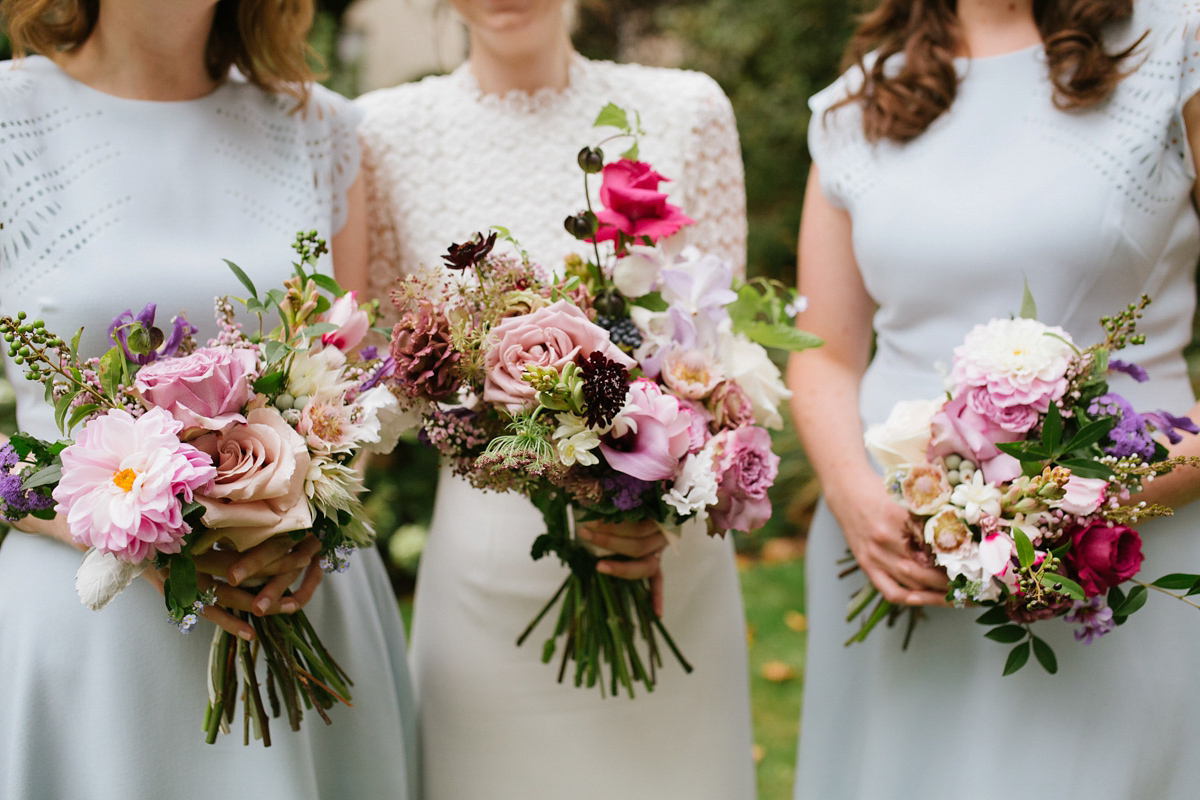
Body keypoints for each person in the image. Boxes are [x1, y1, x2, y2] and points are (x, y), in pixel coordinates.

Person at [0, 1, 416, 797]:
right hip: (87, 629)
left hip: (298, 599)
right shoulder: (8, 117)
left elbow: (354, 386)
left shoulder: (319, 129)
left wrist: (303, 520)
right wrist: (127, 529)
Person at [789, 0, 1200, 797]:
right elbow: (827, 355)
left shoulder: (1174, 45)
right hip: (899, 561)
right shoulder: (857, 103)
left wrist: (1080, 503)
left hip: (1119, 560)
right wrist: (855, 498)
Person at [356, 1, 755, 797]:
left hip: (663, 558)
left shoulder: (687, 110)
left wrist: (663, 514)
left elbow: (721, 352)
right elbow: (383, 374)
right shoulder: (381, 133)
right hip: (485, 573)